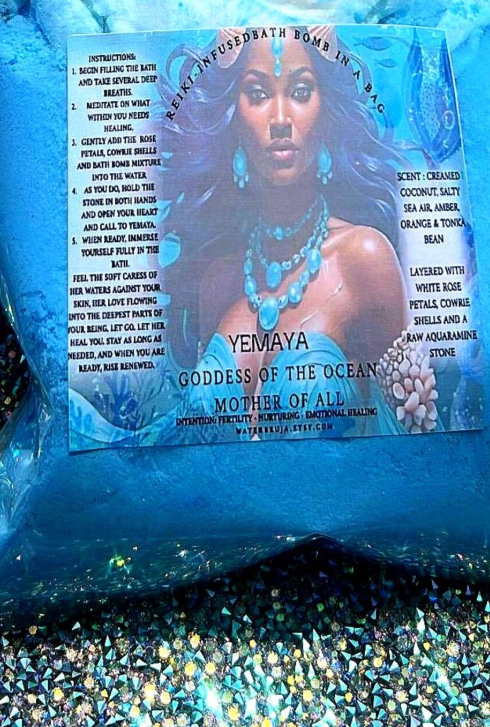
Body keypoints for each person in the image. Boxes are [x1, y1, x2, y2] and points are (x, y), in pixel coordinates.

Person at [159, 26, 409, 439]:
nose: (279, 120)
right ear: (233, 118)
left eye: (301, 91)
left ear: (326, 112)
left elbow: (414, 439)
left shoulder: (364, 258)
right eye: (257, 94)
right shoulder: (218, 282)